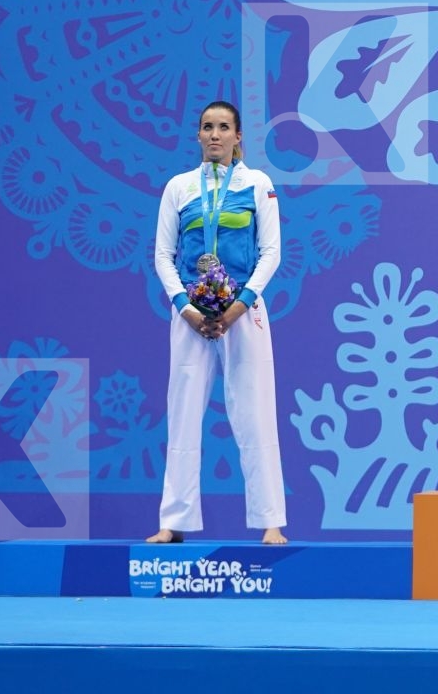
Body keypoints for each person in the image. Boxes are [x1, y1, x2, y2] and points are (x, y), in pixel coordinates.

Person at [148, 100, 287, 544]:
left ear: (238, 136)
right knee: (183, 414)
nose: (214, 135)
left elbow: (271, 252)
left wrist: (239, 304)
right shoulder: (178, 187)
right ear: (198, 135)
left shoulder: (258, 184)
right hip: (190, 315)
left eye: (223, 127)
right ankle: (173, 522)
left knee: (256, 413)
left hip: (243, 313)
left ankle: (270, 523)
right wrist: (185, 307)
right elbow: (162, 256)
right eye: (207, 126)